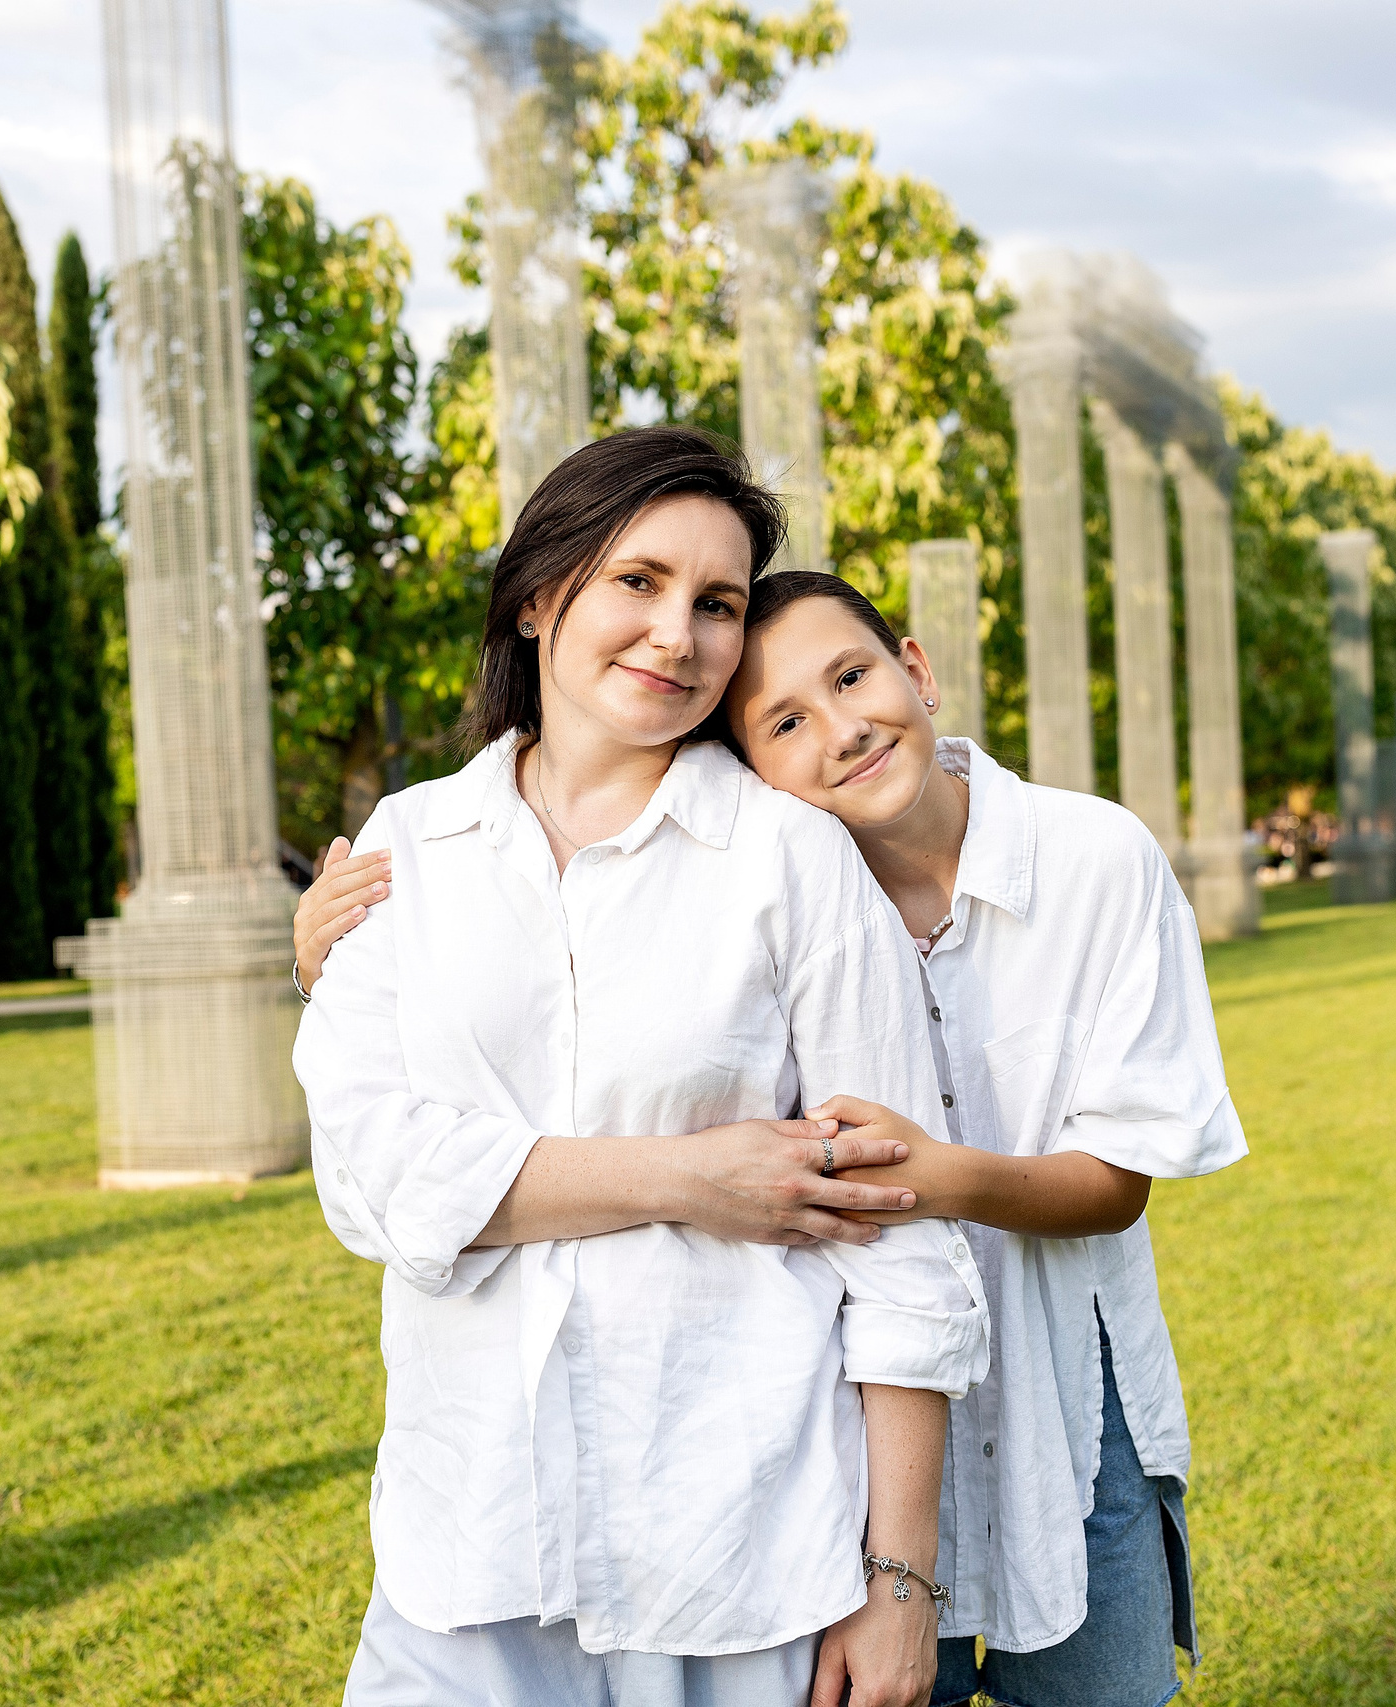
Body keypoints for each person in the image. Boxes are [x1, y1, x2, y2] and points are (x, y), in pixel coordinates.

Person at [298, 569, 1247, 1707]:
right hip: (850, 1429)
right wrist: (341, 964)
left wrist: (928, 1175)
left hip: (1058, 1397)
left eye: (854, 678)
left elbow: (1117, 1178)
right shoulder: (777, 869)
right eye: (784, 723)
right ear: (746, 762)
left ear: (918, 669)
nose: (840, 730)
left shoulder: (1090, 859)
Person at [294, 430, 989, 1707]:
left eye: (716, 604)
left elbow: (897, 1233)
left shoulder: (789, 858)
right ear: (539, 594)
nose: (678, 633)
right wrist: (688, 1178)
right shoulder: (409, 849)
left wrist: (900, 1582)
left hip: (737, 1550)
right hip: (468, 1544)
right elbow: (376, 1184)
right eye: (640, 581)